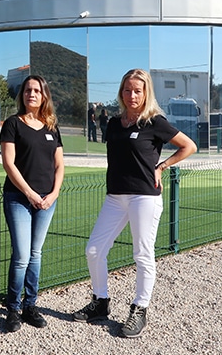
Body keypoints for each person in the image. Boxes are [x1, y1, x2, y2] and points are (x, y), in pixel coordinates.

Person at [72, 68, 196, 338]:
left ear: (146, 92)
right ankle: (100, 302)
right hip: (115, 196)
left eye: (137, 90)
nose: (132, 95)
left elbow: (189, 146)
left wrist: (162, 166)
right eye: (127, 90)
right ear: (121, 91)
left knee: (142, 254)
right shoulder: (115, 123)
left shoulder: (155, 122)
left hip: (145, 196)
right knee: (93, 250)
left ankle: (140, 309)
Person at [0, 75, 65, 333]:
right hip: (19, 198)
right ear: (22, 95)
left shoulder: (51, 126)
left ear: (44, 95)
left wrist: (54, 193)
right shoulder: (13, 124)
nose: (32, 94)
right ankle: (13, 309)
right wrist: (29, 194)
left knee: (36, 254)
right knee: (22, 256)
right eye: (27, 90)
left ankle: (30, 305)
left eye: (37, 91)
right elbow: (9, 163)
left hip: (47, 200)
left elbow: (59, 165)